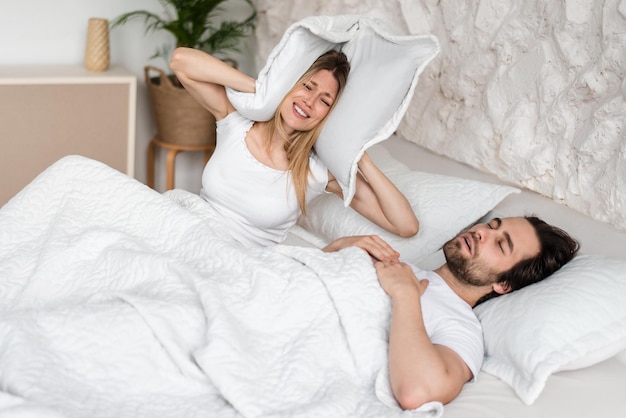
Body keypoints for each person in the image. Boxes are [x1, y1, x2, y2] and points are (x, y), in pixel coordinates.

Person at [169, 47, 419, 247]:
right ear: (289, 84)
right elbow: (181, 60)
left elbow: (405, 226)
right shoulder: (236, 121)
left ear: (329, 114)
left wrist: (358, 154)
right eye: (307, 86)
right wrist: (266, 91)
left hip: (239, 262)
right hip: (189, 234)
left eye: (324, 100)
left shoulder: (317, 172)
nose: (309, 102)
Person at [323, 215, 579, 409]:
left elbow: (417, 393)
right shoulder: (398, 265)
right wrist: (338, 247)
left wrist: (405, 295)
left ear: (503, 284)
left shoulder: (462, 328)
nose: (481, 233)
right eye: (491, 226)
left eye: (500, 244)